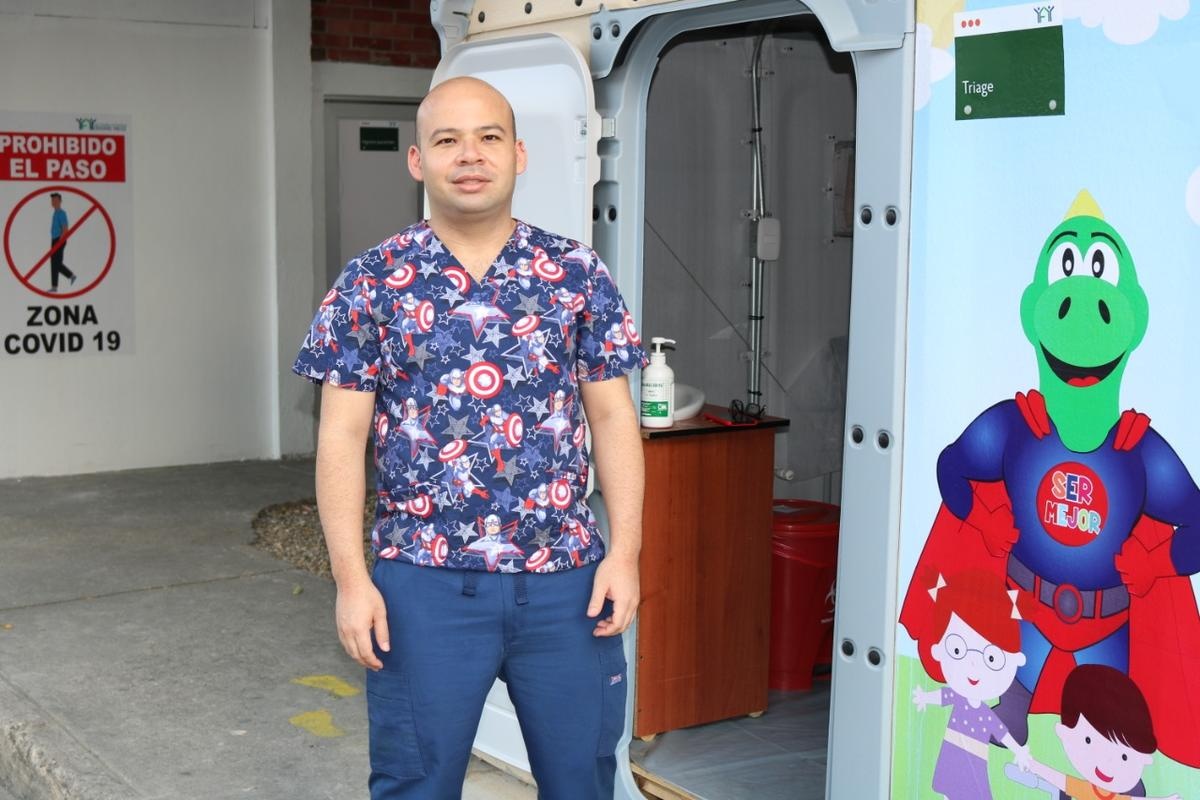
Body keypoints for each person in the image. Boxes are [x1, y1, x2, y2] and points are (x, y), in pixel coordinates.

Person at [293, 77, 648, 799]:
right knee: (414, 783)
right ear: (418, 160)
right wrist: (351, 580)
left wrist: (627, 555)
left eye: (488, 137)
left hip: (565, 582)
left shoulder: (575, 274)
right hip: (422, 585)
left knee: (582, 779)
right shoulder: (373, 281)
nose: (470, 156)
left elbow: (613, 417)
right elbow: (340, 439)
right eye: (447, 140)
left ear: (518, 155)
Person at [911, 570, 1031, 799]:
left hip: (974, 760)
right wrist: (924, 697)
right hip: (952, 753)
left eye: (991, 659)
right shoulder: (960, 699)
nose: (974, 665)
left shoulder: (986, 714)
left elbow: (1003, 733)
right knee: (948, 789)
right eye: (957, 650)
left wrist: (1019, 752)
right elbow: (943, 696)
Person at [1026, 664, 1180, 800]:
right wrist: (1032, 765)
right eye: (1088, 740)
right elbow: (1062, 780)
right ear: (1064, 732)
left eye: (1124, 757)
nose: (1107, 763)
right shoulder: (1088, 791)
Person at [48, 192, 76, 292]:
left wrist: (61, 240)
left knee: (56, 263)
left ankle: (70, 276)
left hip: (59, 240)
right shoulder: (55, 213)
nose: (53, 202)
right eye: (52, 200)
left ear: (60, 201)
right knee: (55, 263)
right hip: (54, 239)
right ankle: (56, 286)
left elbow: (65, 228)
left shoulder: (61, 213)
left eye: (55, 200)